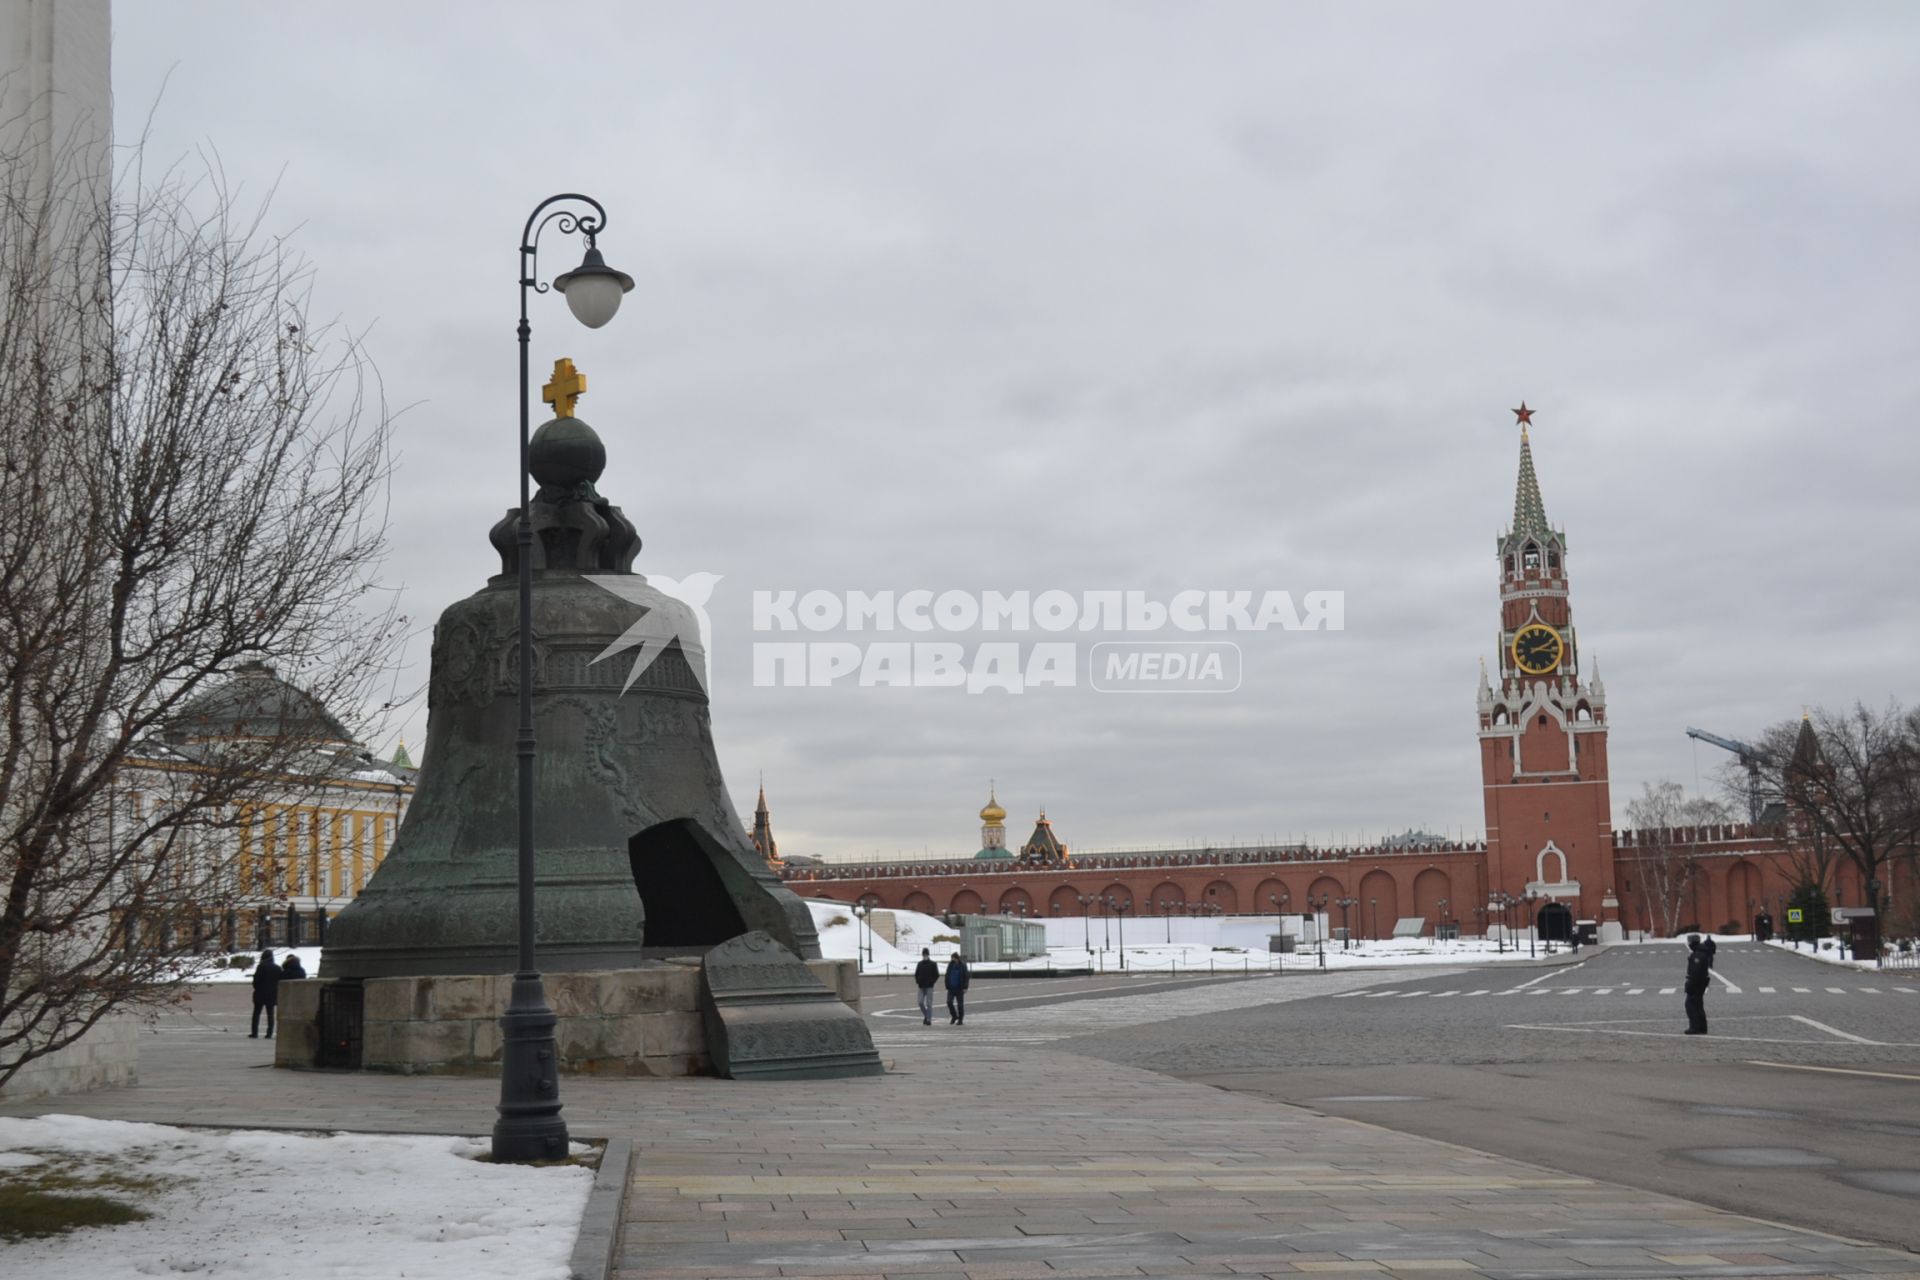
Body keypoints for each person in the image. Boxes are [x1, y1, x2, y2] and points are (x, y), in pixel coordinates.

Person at [250, 949, 282, 1039]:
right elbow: (280, 981)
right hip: (272, 994)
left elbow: (256, 980)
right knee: (270, 1014)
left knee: (256, 1013)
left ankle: (254, 1032)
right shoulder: (277, 968)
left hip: (260, 993)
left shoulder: (261, 966)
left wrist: (257, 988)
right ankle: (269, 1033)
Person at [1683, 934, 1710, 1035]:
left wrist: (1690, 984)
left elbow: (1696, 972)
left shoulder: (1697, 955)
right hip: (1701, 983)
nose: (1688, 944)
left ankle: (1694, 1027)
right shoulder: (1700, 952)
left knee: (1690, 1005)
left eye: (1689, 942)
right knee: (1698, 1005)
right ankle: (1702, 1027)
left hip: (1696, 984)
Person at [913, 948, 939, 1025]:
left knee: (929, 1003)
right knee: (920, 1002)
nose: (925, 956)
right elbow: (916, 974)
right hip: (921, 986)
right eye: (924, 955)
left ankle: (928, 1019)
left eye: (926, 955)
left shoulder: (933, 964)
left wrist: (932, 982)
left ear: (928, 955)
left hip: (929, 987)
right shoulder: (919, 964)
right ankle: (927, 1015)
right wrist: (918, 981)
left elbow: (936, 975)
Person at [944, 952, 971, 1025]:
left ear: (957, 958)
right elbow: (947, 975)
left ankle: (960, 1019)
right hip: (951, 988)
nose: (953, 960)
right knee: (949, 1002)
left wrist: (965, 987)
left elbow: (966, 977)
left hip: (959, 988)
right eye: (952, 958)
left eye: (954, 958)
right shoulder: (950, 965)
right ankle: (954, 1016)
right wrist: (947, 985)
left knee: (960, 1005)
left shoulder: (963, 966)